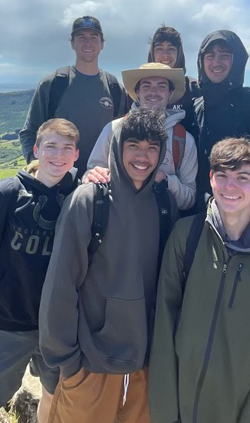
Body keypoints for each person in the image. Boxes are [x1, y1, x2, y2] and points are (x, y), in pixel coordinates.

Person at [149, 137, 250, 423]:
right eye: (222, 176)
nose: (230, 187)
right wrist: (163, 409)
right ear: (211, 180)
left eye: (242, 178)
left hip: (234, 411)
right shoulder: (187, 236)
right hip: (178, 406)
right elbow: (164, 321)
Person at [39, 108, 177, 423]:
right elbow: (61, 286)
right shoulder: (90, 201)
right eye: (134, 146)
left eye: (152, 148)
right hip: (91, 364)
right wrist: (68, 362)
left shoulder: (164, 204)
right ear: (117, 147)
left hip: (145, 364)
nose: (143, 156)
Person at [0, 119, 81, 423]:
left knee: (54, 394)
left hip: (56, 326)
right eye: (51, 146)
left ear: (76, 155)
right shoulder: (7, 194)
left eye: (67, 148)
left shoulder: (81, 197)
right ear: (36, 150)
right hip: (6, 323)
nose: (58, 155)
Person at [19, 15, 126, 177]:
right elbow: (29, 132)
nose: (88, 43)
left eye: (93, 37)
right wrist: (35, 165)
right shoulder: (54, 83)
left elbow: (122, 135)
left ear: (102, 44)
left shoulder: (114, 87)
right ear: (72, 43)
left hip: (101, 179)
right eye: (81, 37)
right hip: (57, 180)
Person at [194, 30, 250, 212]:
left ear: (237, 60)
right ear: (201, 61)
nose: (216, 62)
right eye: (210, 56)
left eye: (225, 55)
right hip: (203, 213)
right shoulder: (196, 108)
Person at [85, 62, 198, 211]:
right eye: (146, 86)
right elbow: (90, 175)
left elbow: (189, 200)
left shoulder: (183, 140)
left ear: (170, 93)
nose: (153, 92)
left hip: (163, 230)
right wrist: (91, 177)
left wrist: (166, 180)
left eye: (161, 86)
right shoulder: (113, 129)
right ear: (137, 91)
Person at [146, 25, 200, 133]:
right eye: (159, 49)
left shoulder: (193, 89)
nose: (165, 55)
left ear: (179, 53)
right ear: (152, 53)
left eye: (171, 49)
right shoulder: (138, 89)